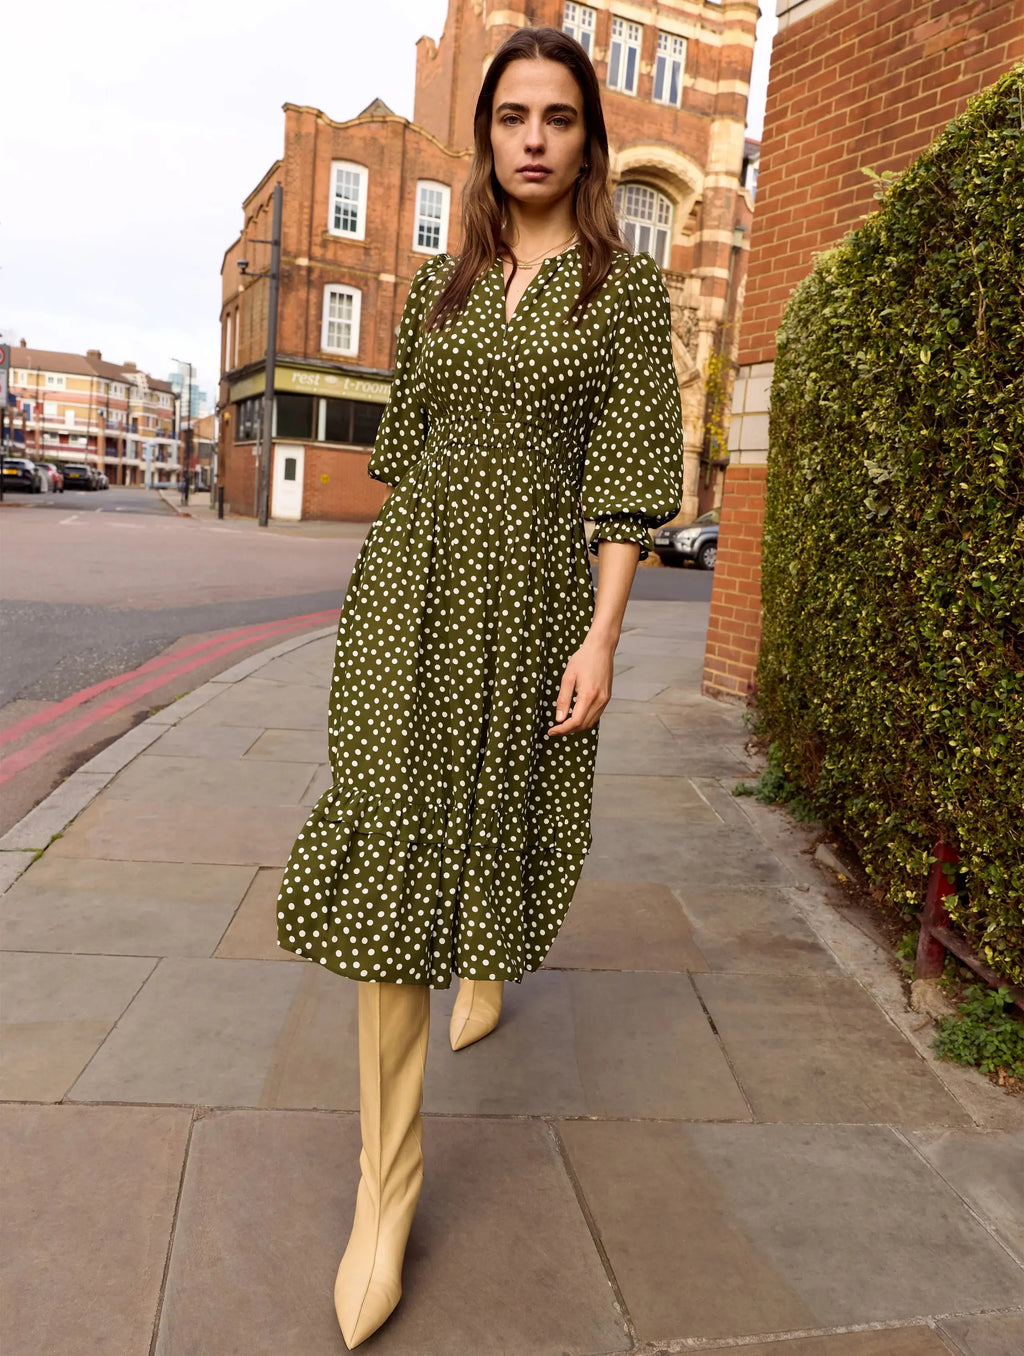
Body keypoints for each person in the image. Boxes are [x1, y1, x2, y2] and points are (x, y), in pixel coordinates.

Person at [275, 24, 686, 1349]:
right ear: (487, 134)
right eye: (512, 116)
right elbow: (405, 446)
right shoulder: (442, 285)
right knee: (395, 851)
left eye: (558, 117)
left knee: (496, 823)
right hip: (411, 596)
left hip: (536, 604)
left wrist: (602, 639)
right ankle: (386, 1188)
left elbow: (627, 484)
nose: (533, 138)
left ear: (588, 139)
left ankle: (489, 968)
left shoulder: (623, 296)